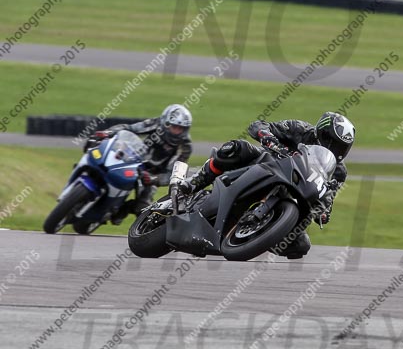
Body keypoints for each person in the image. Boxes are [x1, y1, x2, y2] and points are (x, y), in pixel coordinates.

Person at [181, 112, 355, 258]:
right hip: (267, 166)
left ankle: (259, 236)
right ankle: (194, 182)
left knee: (300, 245)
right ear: (323, 134)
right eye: (334, 143)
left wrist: (323, 212)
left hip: (293, 193)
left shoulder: (338, 171)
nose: (337, 150)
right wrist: (270, 140)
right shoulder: (300, 129)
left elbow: (328, 198)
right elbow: (258, 126)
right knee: (237, 148)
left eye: (342, 147)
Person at [88, 104, 193, 214]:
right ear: (166, 123)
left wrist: (154, 179)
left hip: (151, 175)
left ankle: (121, 211)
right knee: (104, 160)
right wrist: (108, 133)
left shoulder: (185, 146)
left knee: (143, 208)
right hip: (134, 159)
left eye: (180, 128)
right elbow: (130, 129)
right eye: (174, 126)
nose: (176, 131)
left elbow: (175, 174)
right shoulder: (156, 124)